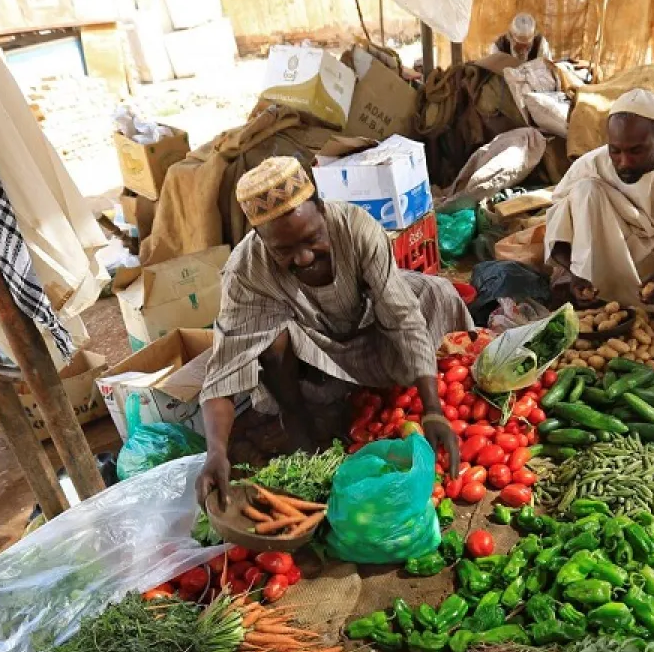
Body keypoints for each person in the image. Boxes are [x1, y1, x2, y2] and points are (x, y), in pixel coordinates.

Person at [196, 156, 470, 508]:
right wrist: (215, 453)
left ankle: (381, 381)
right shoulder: (246, 271)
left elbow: (402, 317)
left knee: (434, 292)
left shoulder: (356, 226)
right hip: (312, 342)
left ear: (323, 210)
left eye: (312, 239)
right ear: (261, 240)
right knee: (271, 338)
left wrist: (432, 409)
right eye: (284, 250)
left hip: (369, 319)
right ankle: (296, 420)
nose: (304, 257)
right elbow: (224, 370)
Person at [545, 88, 654, 314]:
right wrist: (573, 274)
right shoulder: (592, 164)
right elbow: (558, 222)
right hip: (602, 272)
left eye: (636, 151)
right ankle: (591, 291)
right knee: (586, 189)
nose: (624, 162)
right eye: (615, 151)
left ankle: (631, 300)